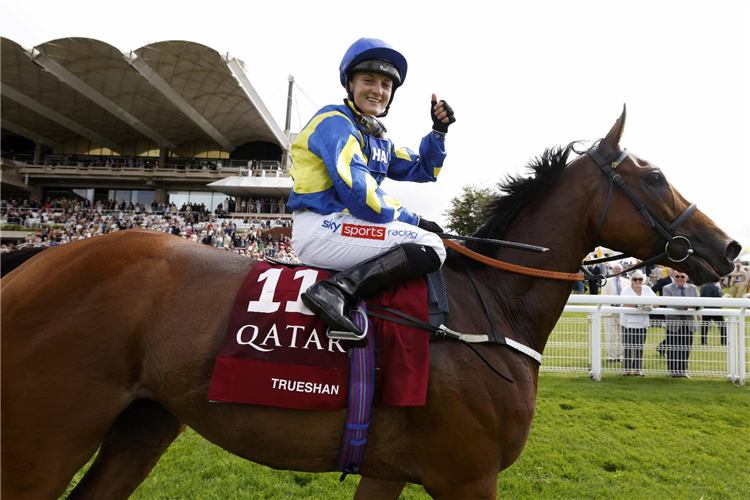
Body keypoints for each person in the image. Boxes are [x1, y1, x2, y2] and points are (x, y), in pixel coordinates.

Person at [287, 38, 455, 337]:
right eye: (368, 80)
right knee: (430, 245)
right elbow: (361, 195)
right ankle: (335, 291)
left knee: (430, 241)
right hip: (321, 227)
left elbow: (423, 170)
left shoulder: (377, 138)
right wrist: (414, 219)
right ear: (350, 84)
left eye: (386, 85)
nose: (378, 90)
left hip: (341, 226)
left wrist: (438, 133)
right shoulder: (335, 122)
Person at [662, 272, 699, 378]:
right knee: (672, 348)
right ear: (673, 277)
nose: (679, 278)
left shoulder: (693, 288)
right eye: (677, 276)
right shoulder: (667, 288)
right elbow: (670, 304)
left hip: (689, 324)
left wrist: (695, 306)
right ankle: (673, 371)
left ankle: (682, 371)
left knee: (686, 348)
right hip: (673, 323)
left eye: (682, 276)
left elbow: (700, 303)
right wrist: (688, 305)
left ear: (687, 278)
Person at [619, 271, 656, 376]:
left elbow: (656, 303)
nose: (638, 281)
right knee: (628, 346)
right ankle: (626, 369)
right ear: (631, 280)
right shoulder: (626, 290)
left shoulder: (647, 289)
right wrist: (638, 305)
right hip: (628, 323)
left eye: (640, 279)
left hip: (642, 323)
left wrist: (646, 306)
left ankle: (638, 369)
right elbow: (623, 305)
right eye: (635, 279)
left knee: (639, 346)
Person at [600, 264, 630, 362]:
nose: (618, 271)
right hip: (610, 310)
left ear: (623, 270)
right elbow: (603, 295)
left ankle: (620, 356)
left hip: (623, 311)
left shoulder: (627, 282)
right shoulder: (606, 281)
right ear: (613, 270)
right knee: (610, 335)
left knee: (621, 335)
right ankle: (610, 356)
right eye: (616, 269)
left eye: (619, 269)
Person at [699, 280, 726, 345]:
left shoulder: (703, 287)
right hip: (716, 309)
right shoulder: (716, 287)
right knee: (722, 325)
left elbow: (701, 296)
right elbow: (718, 297)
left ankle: (703, 341)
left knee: (705, 326)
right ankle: (724, 341)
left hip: (706, 308)